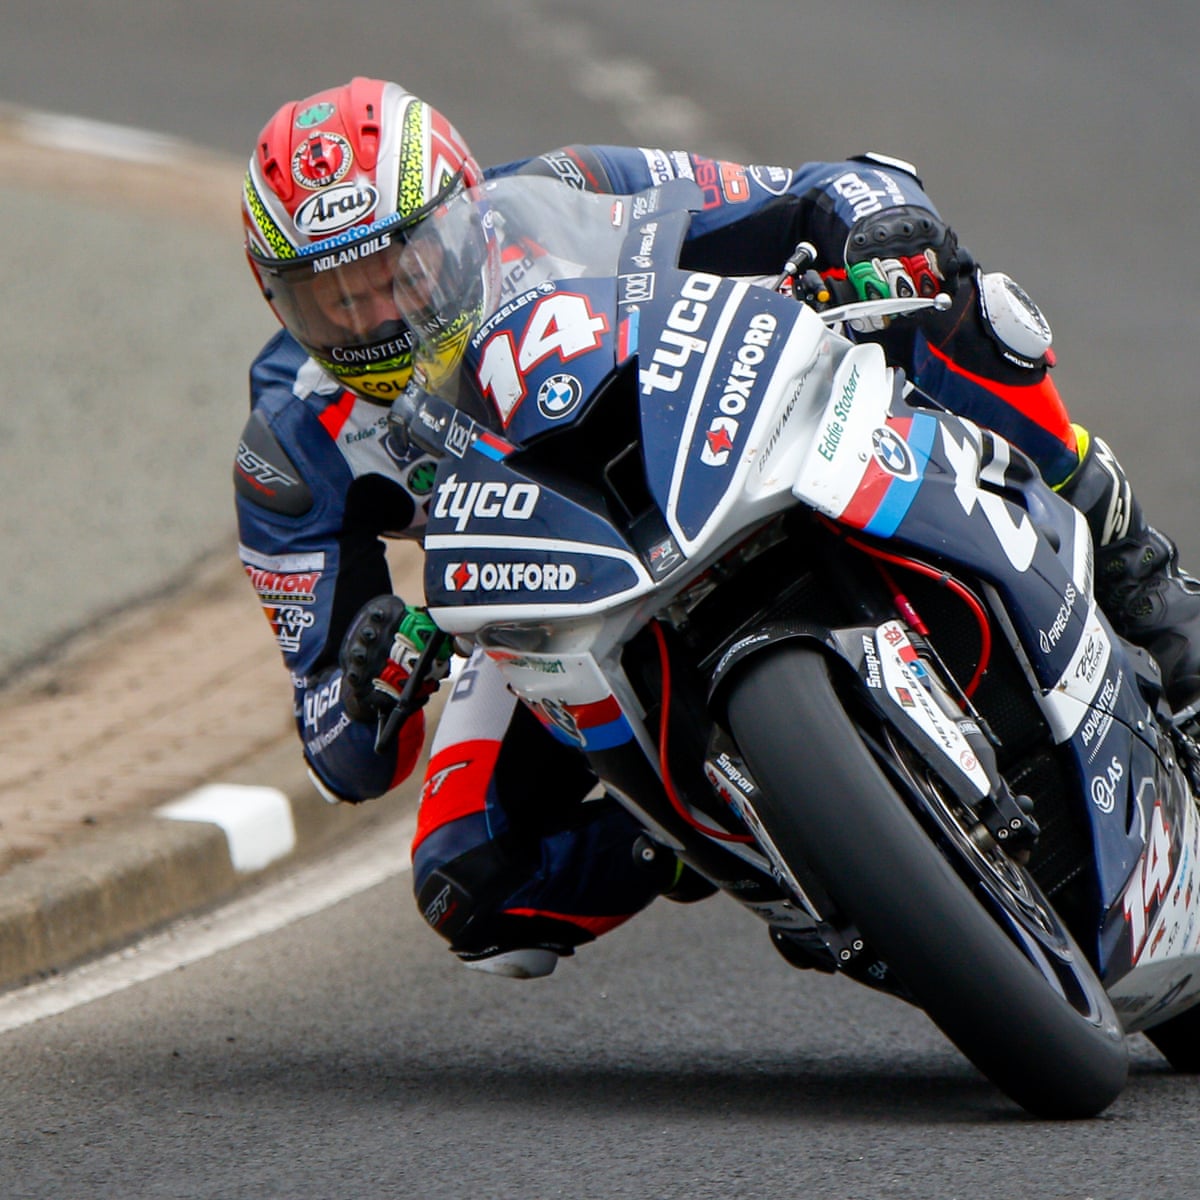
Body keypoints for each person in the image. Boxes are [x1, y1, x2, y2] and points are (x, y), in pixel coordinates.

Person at [236, 76, 1200, 978]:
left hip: (698, 429)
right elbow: (344, 755)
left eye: (392, 269)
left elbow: (808, 193)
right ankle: (732, 834)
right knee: (471, 882)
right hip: (533, 576)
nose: (372, 318)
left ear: (455, 213)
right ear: (278, 298)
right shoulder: (290, 443)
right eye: (330, 297)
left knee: (951, 291)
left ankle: (1138, 574)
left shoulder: (566, 192)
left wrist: (870, 222)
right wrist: (371, 671)